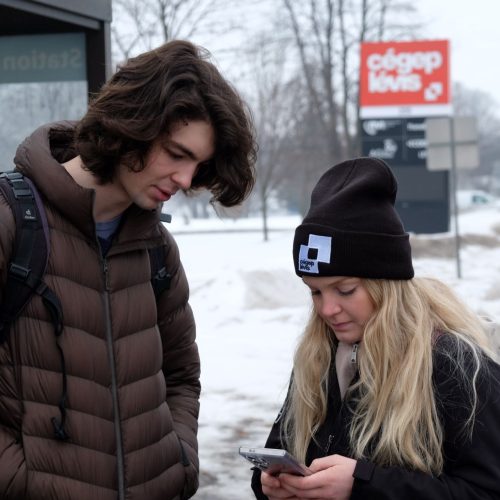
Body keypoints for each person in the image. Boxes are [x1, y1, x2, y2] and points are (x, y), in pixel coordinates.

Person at [0, 40, 256, 500]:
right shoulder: (10, 223)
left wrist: (178, 462)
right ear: (131, 125)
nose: (185, 180)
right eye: (176, 153)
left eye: (197, 165)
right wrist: (21, 481)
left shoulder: (157, 249)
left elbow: (182, 375)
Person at [251, 157, 500, 500]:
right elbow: (281, 448)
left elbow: (485, 491)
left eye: (345, 290)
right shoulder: (318, 354)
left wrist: (363, 485)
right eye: (315, 292)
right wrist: (270, 484)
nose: (327, 310)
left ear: (386, 284)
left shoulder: (456, 365)